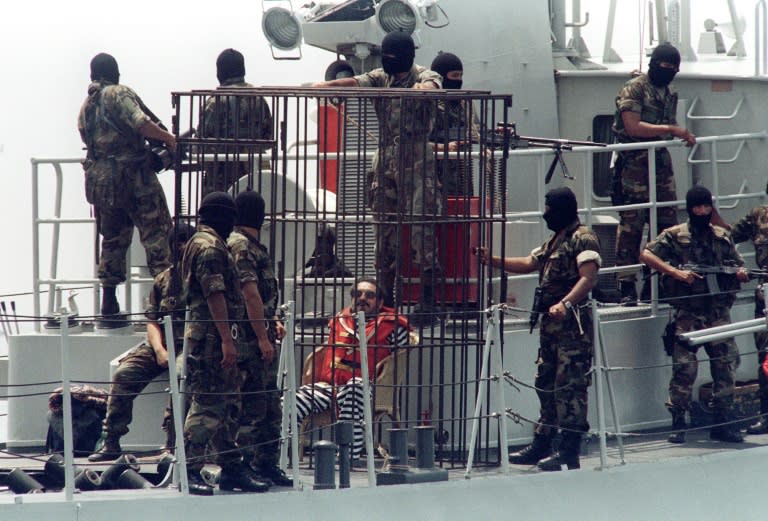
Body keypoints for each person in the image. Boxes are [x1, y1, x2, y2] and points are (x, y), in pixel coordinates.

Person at [312, 32, 443, 323]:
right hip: (385, 158)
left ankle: (429, 301)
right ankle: (386, 304)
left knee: (422, 230)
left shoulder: (424, 74)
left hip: (418, 157)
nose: (390, 64)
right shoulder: (381, 76)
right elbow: (356, 82)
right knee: (383, 236)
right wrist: (327, 85)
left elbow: (431, 87)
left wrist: (418, 89)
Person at [477, 187, 601, 471]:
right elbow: (529, 263)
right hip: (550, 329)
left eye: (549, 208)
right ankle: (542, 443)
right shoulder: (554, 240)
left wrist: (565, 304)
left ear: (562, 209)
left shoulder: (583, 238)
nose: (545, 214)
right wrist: (491, 260)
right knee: (545, 383)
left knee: (569, 387)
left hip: (572, 327)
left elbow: (588, 277)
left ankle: (569, 451)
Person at [640, 185, 747, 444]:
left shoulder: (722, 235)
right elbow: (646, 254)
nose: (702, 211)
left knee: (725, 366)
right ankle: (679, 423)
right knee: (684, 370)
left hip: (718, 312)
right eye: (697, 206)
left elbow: (736, 262)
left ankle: (723, 423)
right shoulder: (675, 235)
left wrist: (741, 271)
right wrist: (675, 273)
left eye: (706, 206)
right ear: (690, 208)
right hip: (688, 313)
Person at [181, 192, 268, 495]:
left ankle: (231, 466)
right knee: (207, 404)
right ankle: (189, 468)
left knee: (229, 403)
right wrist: (226, 341)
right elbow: (214, 295)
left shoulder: (201, 242)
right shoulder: (210, 248)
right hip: (211, 340)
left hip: (213, 337)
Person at [78, 52, 175, 322]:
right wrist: (169, 139)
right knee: (157, 235)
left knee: (112, 239)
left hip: (103, 184)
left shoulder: (87, 106)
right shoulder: (118, 94)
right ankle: (167, 302)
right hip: (134, 179)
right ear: (116, 73)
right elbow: (141, 123)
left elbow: (89, 139)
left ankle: (109, 302)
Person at [87, 223, 193, 462]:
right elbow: (152, 320)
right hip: (161, 344)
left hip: (189, 346)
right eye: (176, 243)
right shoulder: (164, 280)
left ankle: (173, 444)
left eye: (185, 242)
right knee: (125, 374)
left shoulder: (200, 281)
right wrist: (159, 350)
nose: (181, 248)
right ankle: (111, 441)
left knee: (180, 376)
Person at [612, 43, 696, 305]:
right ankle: (626, 286)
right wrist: (674, 129)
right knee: (632, 224)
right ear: (654, 63)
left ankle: (656, 281)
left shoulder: (668, 93)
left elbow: (663, 129)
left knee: (665, 222)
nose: (669, 71)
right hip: (634, 163)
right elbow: (633, 126)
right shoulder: (635, 88)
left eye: (674, 68)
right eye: (665, 66)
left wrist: (677, 133)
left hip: (660, 161)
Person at [294, 278, 411, 462]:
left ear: (380, 302)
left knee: (355, 388)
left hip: (368, 388)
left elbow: (401, 356)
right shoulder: (339, 321)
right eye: (358, 294)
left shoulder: (392, 325)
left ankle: (348, 456)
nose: (362, 298)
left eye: (370, 295)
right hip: (329, 387)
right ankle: (283, 456)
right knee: (293, 400)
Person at [227, 190, 292, 487]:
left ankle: (266, 464)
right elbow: (249, 294)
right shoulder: (241, 246)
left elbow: (261, 298)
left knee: (269, 405)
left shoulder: (251, 246)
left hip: (260, 334)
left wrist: (272, 321)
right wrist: (262, 337)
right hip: (250, 342)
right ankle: (244, 466)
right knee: (252, 406)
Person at [711, 204, 768, 434]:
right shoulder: (760, 215)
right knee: (766, 358)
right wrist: (712, 211)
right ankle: (767, 416)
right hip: (766, 295)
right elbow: (729, 233)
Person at [199, 48, 273, 196]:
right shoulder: (258, 98)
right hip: (256, 173)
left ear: (219, 72)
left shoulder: (215, 102)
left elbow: (203, 140)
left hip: (223, 176)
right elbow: (268, 137)